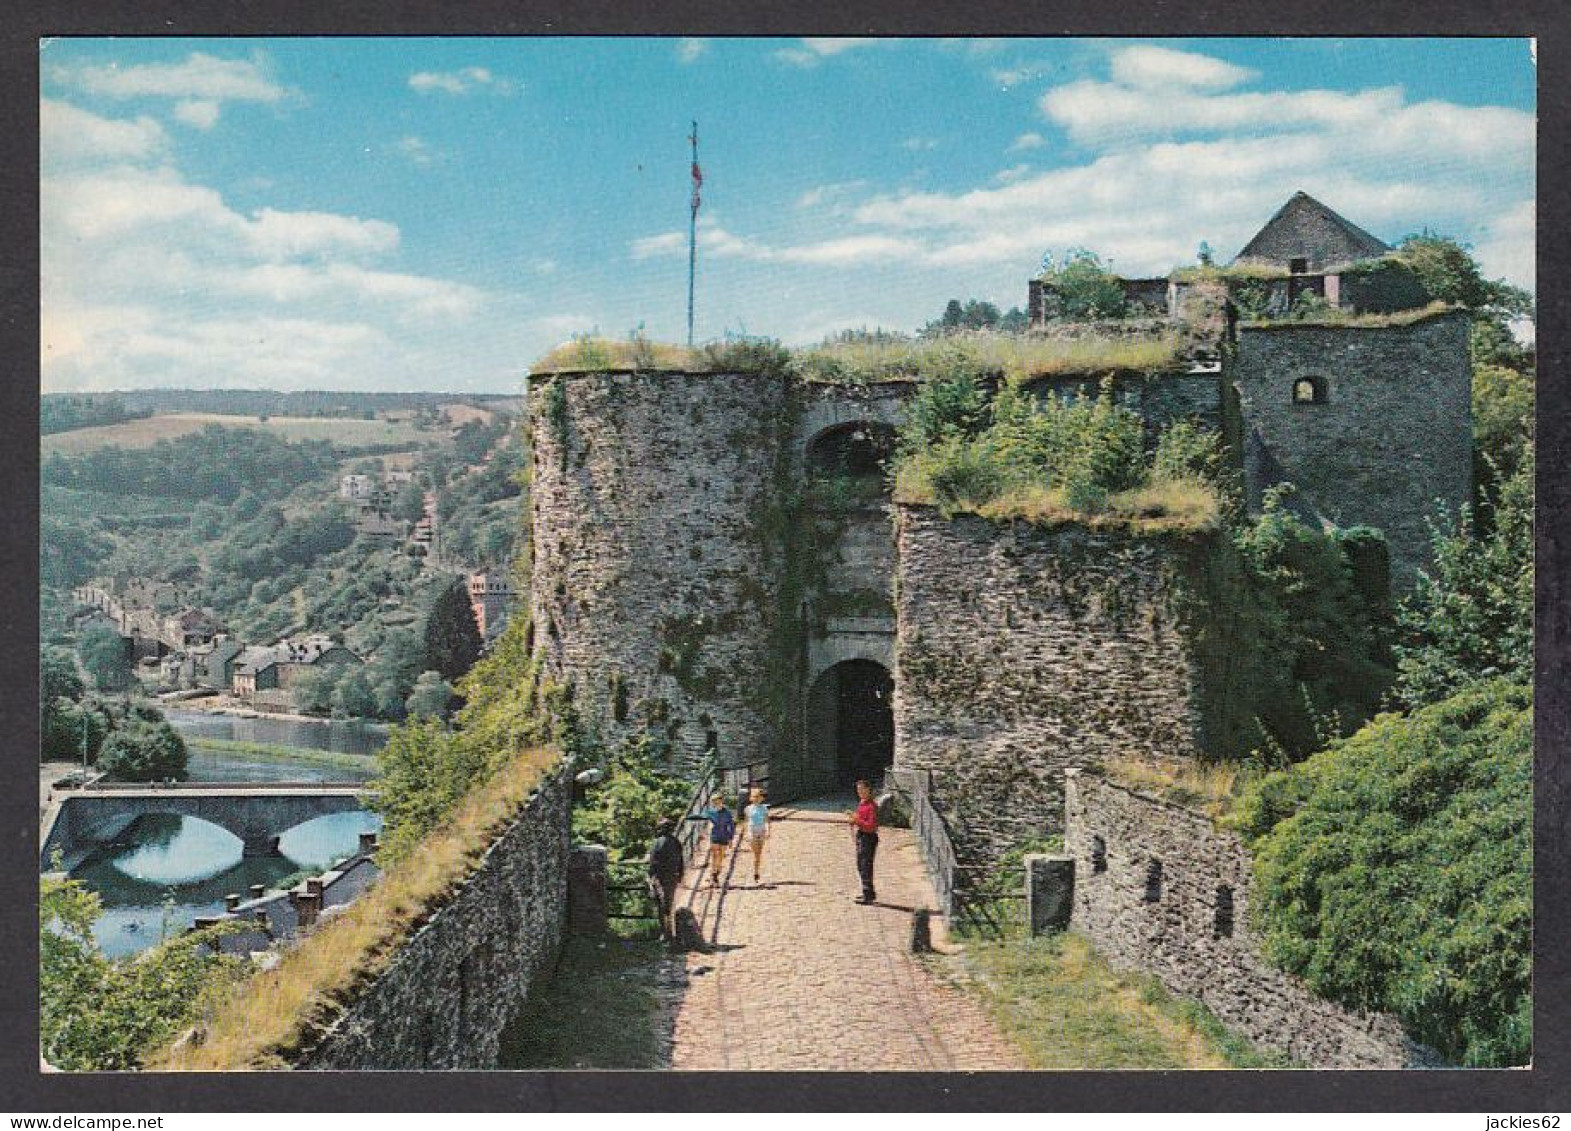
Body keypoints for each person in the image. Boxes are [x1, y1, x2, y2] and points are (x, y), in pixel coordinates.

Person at [646, 818, 686, 946]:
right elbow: (681, 860)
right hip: (672, 876)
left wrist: (651, 876)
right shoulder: (676, 842)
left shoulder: (657, 843)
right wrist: (680, 874)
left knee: (662, 905)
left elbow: (653, 861)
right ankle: (669, 933)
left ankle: (666, 933)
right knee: (668, 903)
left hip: (660, 877)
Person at [686, 796, 736, 886]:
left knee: (721, 856)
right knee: (714, 855)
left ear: (721, 801)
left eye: (718, 801)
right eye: (714, 801)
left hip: (724, 835)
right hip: (715, 834)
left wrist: (731, 838)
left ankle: (717, 872)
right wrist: (687, 817)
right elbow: (701, 816)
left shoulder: (727, 813)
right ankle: (713, 874)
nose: (716, 803)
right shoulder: (711, 812)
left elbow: (731, 826)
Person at [848, 779, 878, 904]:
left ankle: (868, 895)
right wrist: (854, 818)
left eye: (862, 790)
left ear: (868, 790)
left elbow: (871, 826)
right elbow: (861, 818)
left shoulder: (871, 806)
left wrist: (857, 820)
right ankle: (867, 892)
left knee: (865, 866)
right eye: (858, 790)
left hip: (868, 837)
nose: (859, 792)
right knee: (861, 865)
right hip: (862, 835)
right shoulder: (863, 803)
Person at [742, 786, 770, 884]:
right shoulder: (748, 809)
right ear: (751, 798)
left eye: (759, 797)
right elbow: (746, 821)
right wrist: (747, 833)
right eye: (755, 797)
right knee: (755, 853)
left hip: (761, 830)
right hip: (752, 830)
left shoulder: (764, 808)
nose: (757, 799)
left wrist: (767, 831)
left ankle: (756, 871)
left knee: (759, 853)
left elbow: (766, 821)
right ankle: (755, 872)